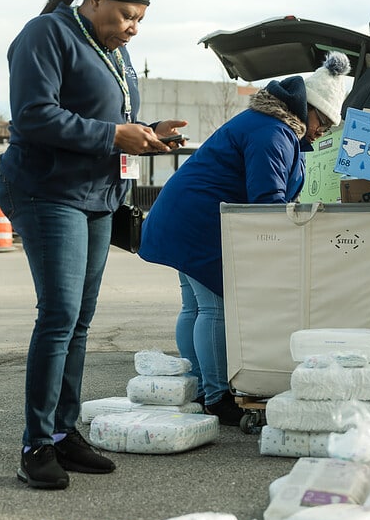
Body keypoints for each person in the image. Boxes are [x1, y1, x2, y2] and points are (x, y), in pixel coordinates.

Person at [0, 0, 187, 491]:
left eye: (140, 21)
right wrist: (115, 137)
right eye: (126, 15)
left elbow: (110, 120)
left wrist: (145, 131)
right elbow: (33, 114)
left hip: (98, 195)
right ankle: (35, 445)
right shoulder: (46, 35)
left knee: (79, 318)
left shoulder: (115, 52)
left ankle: (62, 433)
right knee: (58, 314)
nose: (132, 28)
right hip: (46, 190)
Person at [138, 51, 352, 425]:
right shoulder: (274, 132)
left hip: (184, 217)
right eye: (324, 122)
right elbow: (267, 201)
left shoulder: (272, 127)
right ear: (308, 110)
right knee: (213, 308)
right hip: (200, 224)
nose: (324, 131)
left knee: (194, 307)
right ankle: (218, 397)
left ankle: (201, 387)